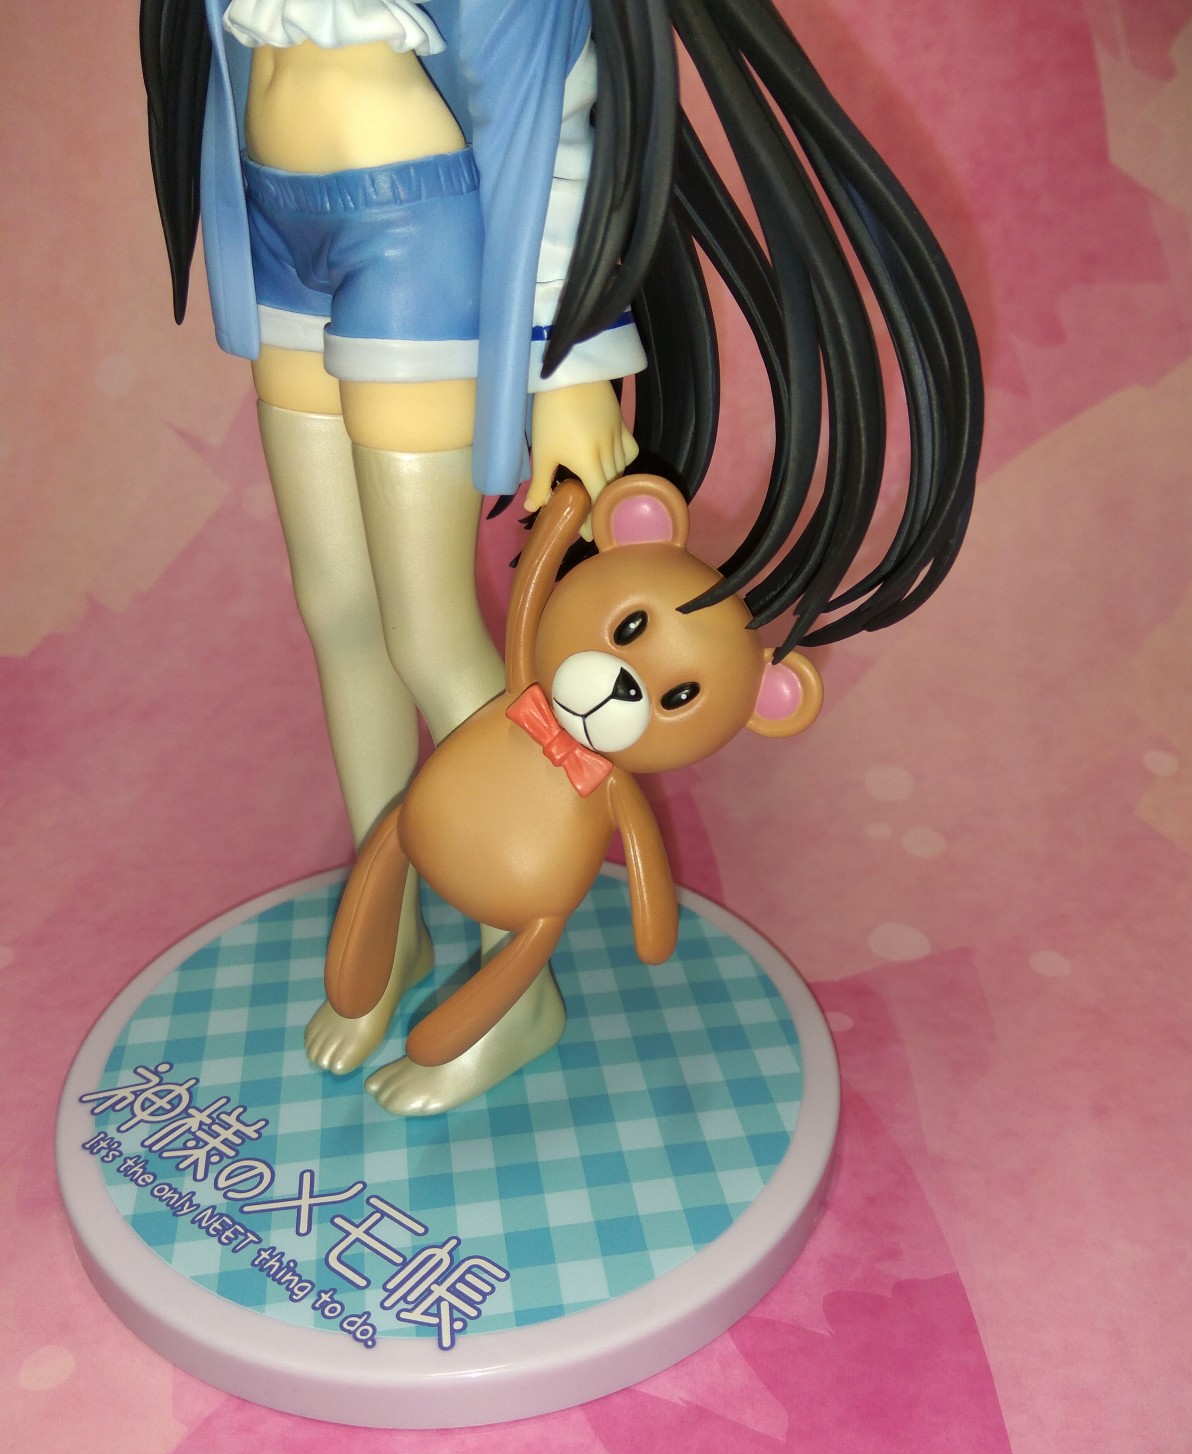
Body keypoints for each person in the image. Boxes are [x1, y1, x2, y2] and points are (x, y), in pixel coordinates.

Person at [141, 0, 982, 1112]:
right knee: (336, 606)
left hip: (413, 230)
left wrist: (570, 356)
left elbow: (548, 104)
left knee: (430, 634)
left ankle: (516, 981)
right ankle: (385, 924)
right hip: (277, 216)